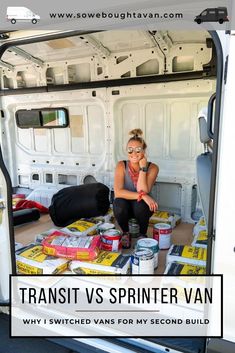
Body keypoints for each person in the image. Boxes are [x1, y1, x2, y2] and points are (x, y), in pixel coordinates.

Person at [113, 128, 159, 240]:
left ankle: (142, 234)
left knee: (141, 204)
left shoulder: (152, 167)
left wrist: (143, 168)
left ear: (144, 151)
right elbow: (118, 192)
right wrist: (143, 196)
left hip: (142, 209)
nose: (133, 153)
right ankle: (125, 233)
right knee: (118, 203)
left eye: (138, 150)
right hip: (126, 207)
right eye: (130, 150)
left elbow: (143, 189)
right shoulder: (121, 165)